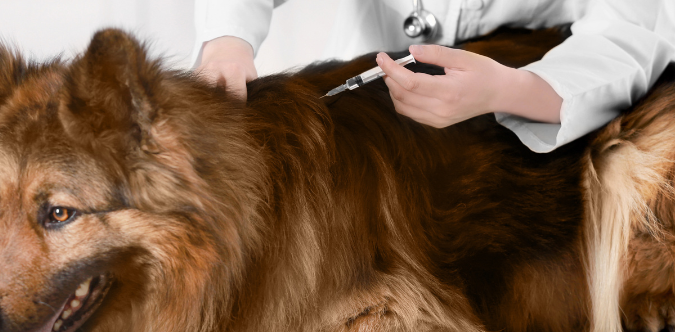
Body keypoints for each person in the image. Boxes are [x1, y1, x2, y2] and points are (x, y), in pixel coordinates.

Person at [192, 0, 675, 153]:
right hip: (377, 104)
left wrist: (510, 90)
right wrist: (227, 38)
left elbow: (632, 29)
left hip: (551, 107)